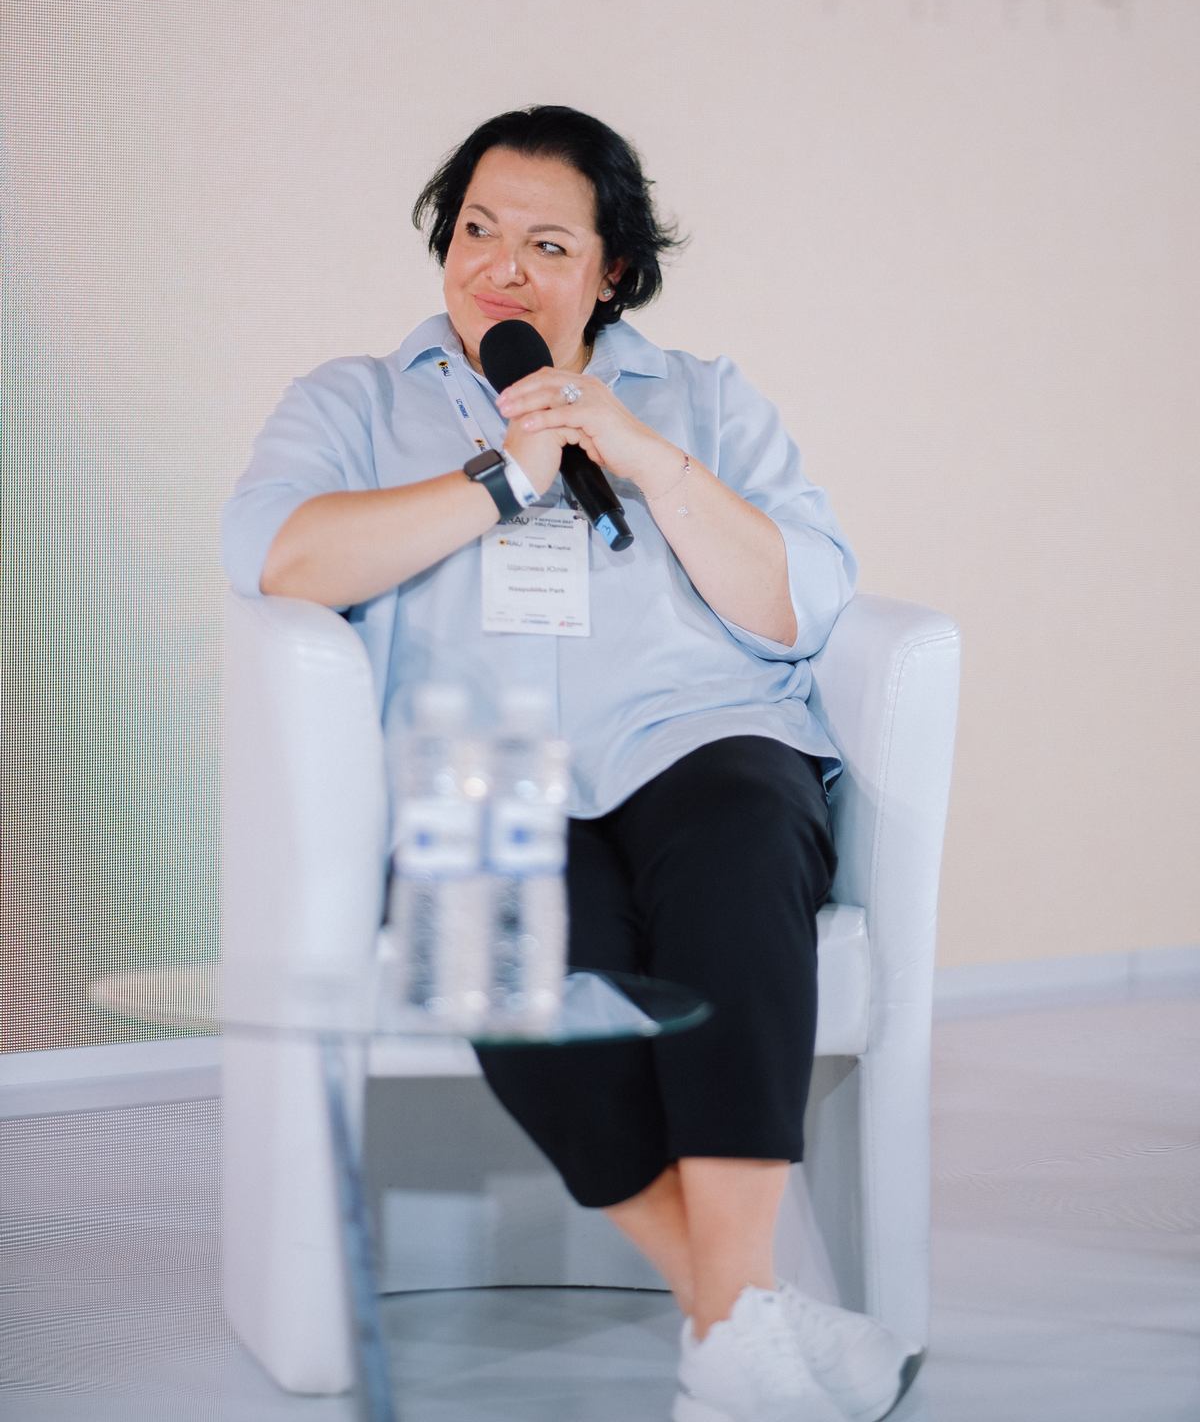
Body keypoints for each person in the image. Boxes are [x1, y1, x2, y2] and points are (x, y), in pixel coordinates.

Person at [221, 106, 922, 1422]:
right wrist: (500, 477)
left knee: (742, 850)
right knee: (511, 950)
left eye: (548, 244)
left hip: (700, 736)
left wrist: (642, 455)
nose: (501, 267)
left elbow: (805, 604)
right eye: (477, 231)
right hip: (476, 763)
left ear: (613, 272)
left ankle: (733, 1330)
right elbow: (281, 557)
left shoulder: (707, 397)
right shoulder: (355, 401)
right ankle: (740, 1317)